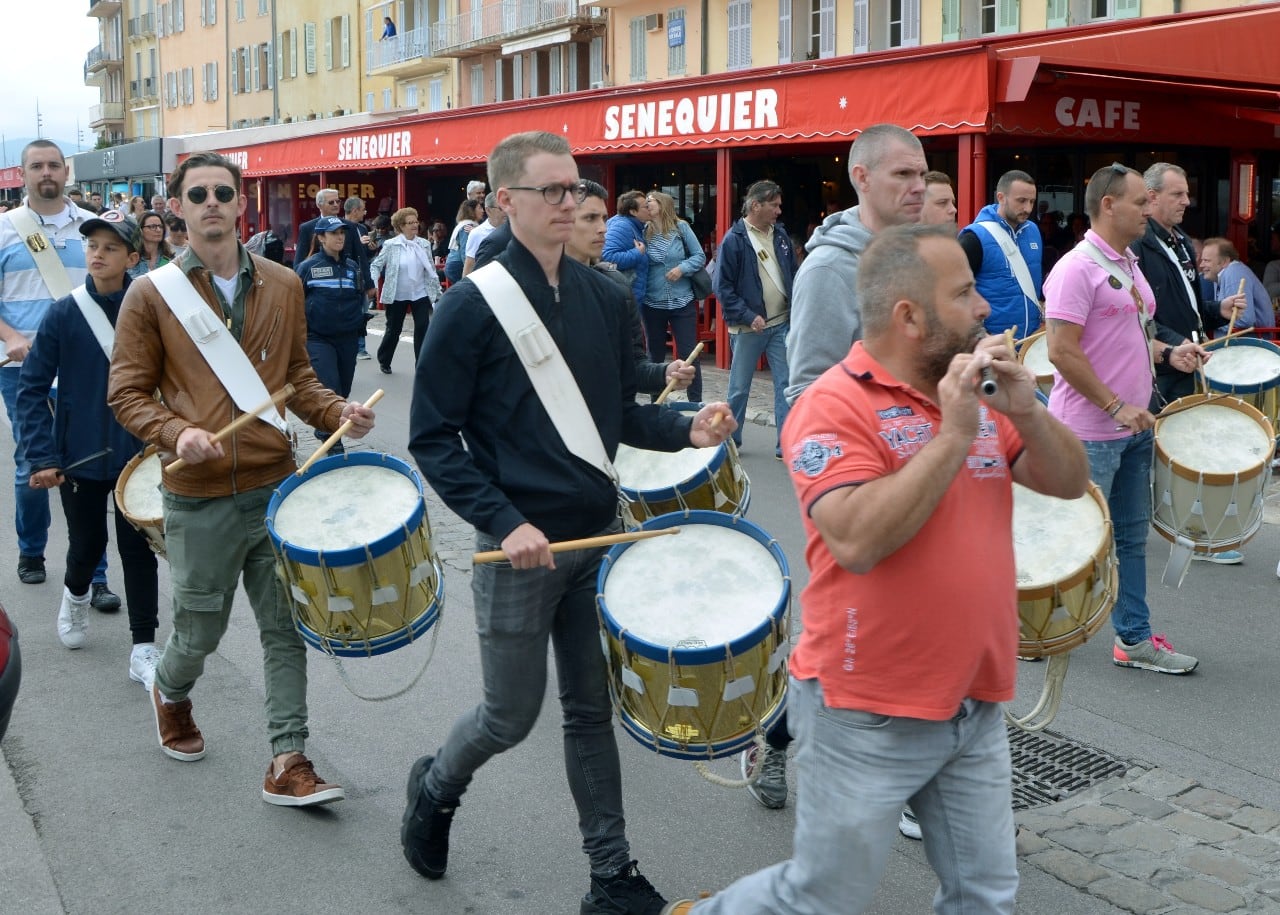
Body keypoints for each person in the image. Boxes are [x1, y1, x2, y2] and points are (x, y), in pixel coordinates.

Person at [663, 224, 1089, 915]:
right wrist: (954, 434)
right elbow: (857, 539)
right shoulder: (832, 404)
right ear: (909, 316)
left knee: (985, 895)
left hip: (974, 696)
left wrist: (1028, 414)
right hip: (866, 707)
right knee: (824, 896)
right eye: (964, 293)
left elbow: (1069, 483)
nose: (984, 306)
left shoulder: (974, 391)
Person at [403, 130, 735, 914]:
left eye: (575, 187)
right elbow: (432, 437)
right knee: (509, 715)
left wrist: (685, 427)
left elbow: (618, 414)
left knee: (591, 711)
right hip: (520, 546)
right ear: (506, 200)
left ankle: (610, 874)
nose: (569, 201)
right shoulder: (470, 305)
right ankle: (437, 785)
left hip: (597, 538)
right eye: (550, 190)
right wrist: (503, 519)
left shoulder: (607, 296)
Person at [108, 150, 376, 805]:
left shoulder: (283, 283)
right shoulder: (151, 293)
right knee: (199, 629)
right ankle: (170, 689)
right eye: (197, 194)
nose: (211, 204)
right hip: (197, 495)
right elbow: (126, 393)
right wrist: (177, 432)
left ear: (240, 202)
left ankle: (288, 758)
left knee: (285, 627)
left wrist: (336, 411)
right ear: (177, 206)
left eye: (222, 193)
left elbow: (298, 378)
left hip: (274, 486)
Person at [1044, 163, 1205, 675]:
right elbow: (1060, 351)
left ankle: (1133, 639)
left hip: (1133, 428)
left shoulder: (1130, 262)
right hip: (1088, 433)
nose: (1147, 211)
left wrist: (1168, 353)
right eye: (1140, 202)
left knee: (1131, 540)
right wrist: (1114, 405)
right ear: (1108, 205)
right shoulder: (1075, 268)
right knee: (1071, 538)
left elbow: (1134, 333)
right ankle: (1029, 627)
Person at [15, 211, 161, 687]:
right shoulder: (64, 312)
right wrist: (42, 456)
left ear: (133, 258)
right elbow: (31, 388)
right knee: (87, 545)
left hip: (139, 454)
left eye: (110, 248)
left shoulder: (153, 308)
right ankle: (76, 596)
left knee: (137, 549)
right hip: (79, 453)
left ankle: (143, 646)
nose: (97, 254)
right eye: (92, 246)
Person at [0, 140, 121, 609]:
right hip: (23, 367)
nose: (46, 172)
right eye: (37, 166)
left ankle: (94, 574)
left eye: (54, 165)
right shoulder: (6, 229)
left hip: (85, 365)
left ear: (66, 171)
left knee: (89, 463)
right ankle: (31, 550)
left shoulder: (93, 226)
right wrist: (11, 336)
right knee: (32, 461)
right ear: (23, 173)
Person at [785, 123, 928, 405]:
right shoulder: (828, 270)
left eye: (922, 174)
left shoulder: (920, 256)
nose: (920, 187)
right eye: (903, 174)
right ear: (862, 178)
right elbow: (810, 394)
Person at [566, 181, 696, 397]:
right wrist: (637, 253)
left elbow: (632, 366)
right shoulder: (532, 287)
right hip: (652, 300)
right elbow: (610, 254)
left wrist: (662, 374)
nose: (603, 228)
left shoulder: (615, 287)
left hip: (667, 298)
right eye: (590, 218)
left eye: (603, 218)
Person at [1133, 163, 1246, 407]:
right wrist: (1174, 342)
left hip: (1186, 364)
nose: (1186, 201)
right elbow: (1134, 316)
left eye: (1186, 193)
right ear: (1152, 197)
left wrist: (1218, 310)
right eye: (1177, 194)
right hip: (1155, 369)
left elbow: (1186, 306)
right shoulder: (1136, 245)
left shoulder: (1182, 241)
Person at [714, 180, 796, 457]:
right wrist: (749, 316)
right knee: (739, 388)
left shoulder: (780, 235)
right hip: (747, 327)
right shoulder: (734, 240)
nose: (779, 210)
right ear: (755, 205)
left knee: (785, 385)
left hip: (780, 323)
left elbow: (792, 273)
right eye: (774, 205)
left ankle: (785, 443)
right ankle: (731, 441)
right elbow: (722, 287)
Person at [295, 215, 367, 451]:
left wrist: (360, 319)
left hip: (348, 338)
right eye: (334, 233)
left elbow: (359, 296)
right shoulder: (308, 267)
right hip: (318, 338)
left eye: (342, 233)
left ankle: (324, 425)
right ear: (321, 238)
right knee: (330, 387)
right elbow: (295, 301)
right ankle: (331, 439)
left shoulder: (352, 267)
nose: (340, 237)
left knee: (343, 390)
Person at [958, 169, 1043, 338]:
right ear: (1001, 197)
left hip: (1030, 342)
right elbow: (956, 293)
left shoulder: (1033, 230)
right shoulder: (974, 238)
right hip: (992, 343)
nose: (1028, 208)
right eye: (1021, 201)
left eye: (1032, 201)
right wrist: (980, 336)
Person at [640, 191, 707, 400]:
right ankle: (657, 403)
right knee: (655, 355)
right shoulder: (643, 230)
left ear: (662, 204)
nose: (646, 204)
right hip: (652, 302)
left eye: (650, 201)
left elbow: (699, 256)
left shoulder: (681, 227)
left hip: (682, 301)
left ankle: (695, 402)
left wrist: (682, 268)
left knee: (689, 354)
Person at [371, 206, 442, 373]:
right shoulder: (391, 244)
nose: (415, 225)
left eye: (416, 222)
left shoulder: (424, 244)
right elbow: (376, 265)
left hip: (420, 292)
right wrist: (374, 284)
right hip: (397, 294)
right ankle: (384, 360)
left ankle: (421, 365)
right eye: (410, 223)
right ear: (401, 226)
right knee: (394, 329)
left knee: (423, 327)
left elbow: (430, 269)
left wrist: (437, 291)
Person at [1199, 237, 1273, 333]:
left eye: (1206, 260)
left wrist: (1209, 325)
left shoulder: (1233, 272)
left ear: (1224, 261)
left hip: (1251, 341)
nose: (1201, 265)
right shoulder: (1220, 275)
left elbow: (1243, 320)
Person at [602, 190, 651, 307]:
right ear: (633, 211)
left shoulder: (634, 225)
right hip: (624, 300)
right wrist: (637, 253)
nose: (649, 209)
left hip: (630, 296)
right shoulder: (623, 226)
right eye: (646, 206)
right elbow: (606, 256)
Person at [342, 197, 377, 360]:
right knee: (349, 312)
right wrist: (359, 244)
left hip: (361, 276)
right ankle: (350, 346)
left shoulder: (362, 228)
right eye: (363, 209)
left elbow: (364, 256)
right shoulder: (341, 228)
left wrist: (370, 248)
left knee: (362, 312)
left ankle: (361, 348)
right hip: (346, 275)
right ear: (355, 210)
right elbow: (344, 252)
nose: (365, 213)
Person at [293, 187, 342, 268]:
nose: (336, 205)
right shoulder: (307, 228)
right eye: (331, 202)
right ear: (319, 205)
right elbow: (299, 263)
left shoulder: (349, 226)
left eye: (338, 201)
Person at [461, 191, 506, 277]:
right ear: (488, 210)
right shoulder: (477, 233)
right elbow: (469, 265)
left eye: (506, 207)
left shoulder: (516, 230)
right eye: (501, 208)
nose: (506, 211)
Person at [445, 198, 483, 284]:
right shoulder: (466, 226)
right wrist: (468, 272)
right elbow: (465, 251)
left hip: (456, 265)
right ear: (472, 211)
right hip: (458, 266)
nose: (482, 211)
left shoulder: (469, 225)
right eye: (479, 208)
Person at [129, 210, 175, 277]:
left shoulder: (169, 257)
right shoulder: (131, 258)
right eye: (152, 226)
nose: (158, 230)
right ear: (140, 230)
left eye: (160, 226)